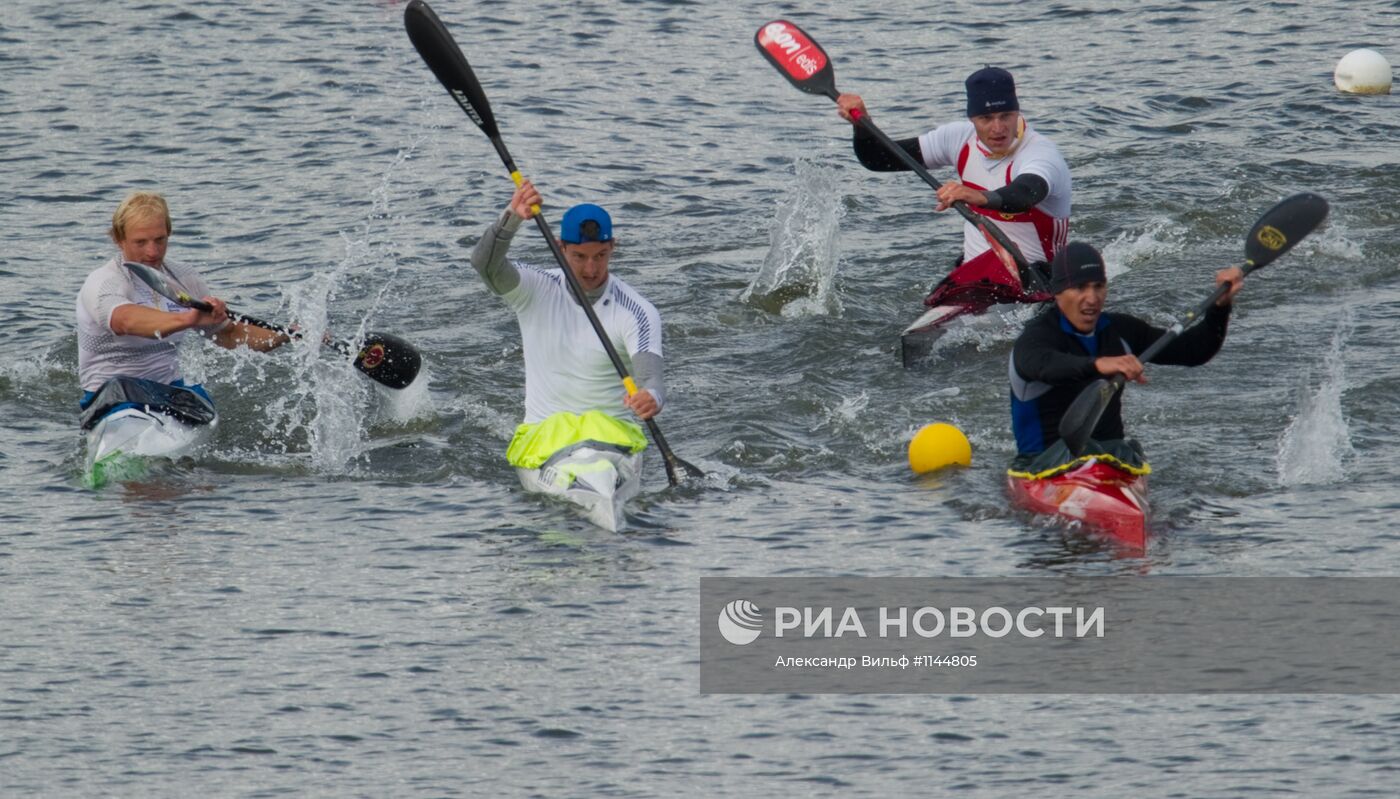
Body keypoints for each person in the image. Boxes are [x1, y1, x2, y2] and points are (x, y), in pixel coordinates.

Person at [467, 179, 665, 471]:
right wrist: (511, 217)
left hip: (610, 439)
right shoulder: (534, 288)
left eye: (600, 255)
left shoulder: (637, 312)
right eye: (579, 257)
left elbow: (652, 380)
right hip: (543, 437)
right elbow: (484, 265)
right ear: (560, 248)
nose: (591, 269)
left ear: (613, 246)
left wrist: (651, 397)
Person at [1007, 241, 1244, 473]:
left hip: (1112, 462)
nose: (1092, 297)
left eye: (1099, 286)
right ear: (1058, 293)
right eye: (1080, 288)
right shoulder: (1035, 338)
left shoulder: (1121, 331)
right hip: (1041, 466)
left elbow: (1196, 350)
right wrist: (1101, 364)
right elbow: (1043, 366)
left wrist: (1220, 307)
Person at [836, 67, 1070, 301]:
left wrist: (979, 196)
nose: (998, 128)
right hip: (978, 273)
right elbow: (877, 159)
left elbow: (1024, 194)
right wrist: (862, 124)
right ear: (972, 118)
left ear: (1017, 112)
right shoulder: (958, 138)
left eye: (1006, 115)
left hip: (1037, 279)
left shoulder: (1040, 153)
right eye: (986, 118)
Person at [76, 191, 289, 426]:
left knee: (199, 398)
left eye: (160, 239)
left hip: (171, 391)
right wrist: (189, 319)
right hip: (114, 396)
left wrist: (292, 335)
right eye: (141, 242)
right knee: (122, 388)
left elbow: (230, 336)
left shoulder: (184, 279)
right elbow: (124, 320)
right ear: (119, 239)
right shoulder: (104, 281)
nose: (152, 252)